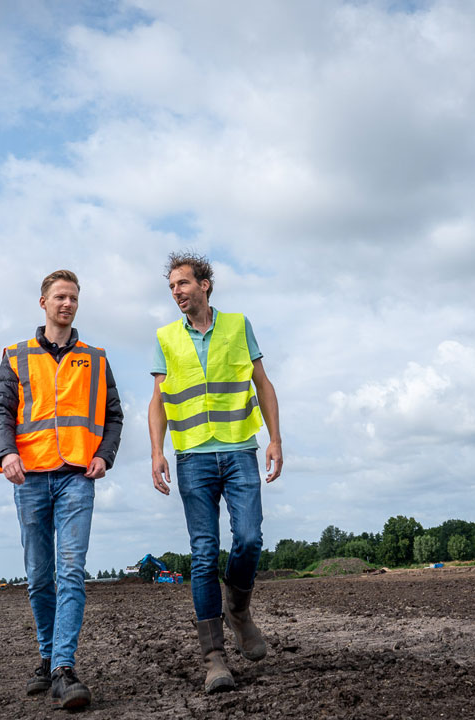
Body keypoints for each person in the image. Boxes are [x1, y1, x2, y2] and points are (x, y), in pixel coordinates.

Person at [148, 252, 283, 693]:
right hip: (192, 457)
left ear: (204, 285)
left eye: (183, 283)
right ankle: (214, 659)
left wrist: (275, 440)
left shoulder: (239, 325)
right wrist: (157, 451)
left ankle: (238, 610)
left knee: (248, 538)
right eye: (171, 286)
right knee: (204, 554)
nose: (176, 292)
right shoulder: (165, 337)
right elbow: (158, 400)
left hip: (240, 449)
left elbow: (263, 383)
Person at [0, 269, 123, 710]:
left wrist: (105, 455)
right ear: (43, 302)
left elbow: (114, 414)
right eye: (60, 297)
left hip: (77, 476)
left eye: (74, 298)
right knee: (39, 576)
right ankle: (46, 658)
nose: (67, 304)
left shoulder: (96, 359)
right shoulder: (15, 355)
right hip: (28, 476)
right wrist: (6, 453)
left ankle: (64, 668)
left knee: (70, 571)